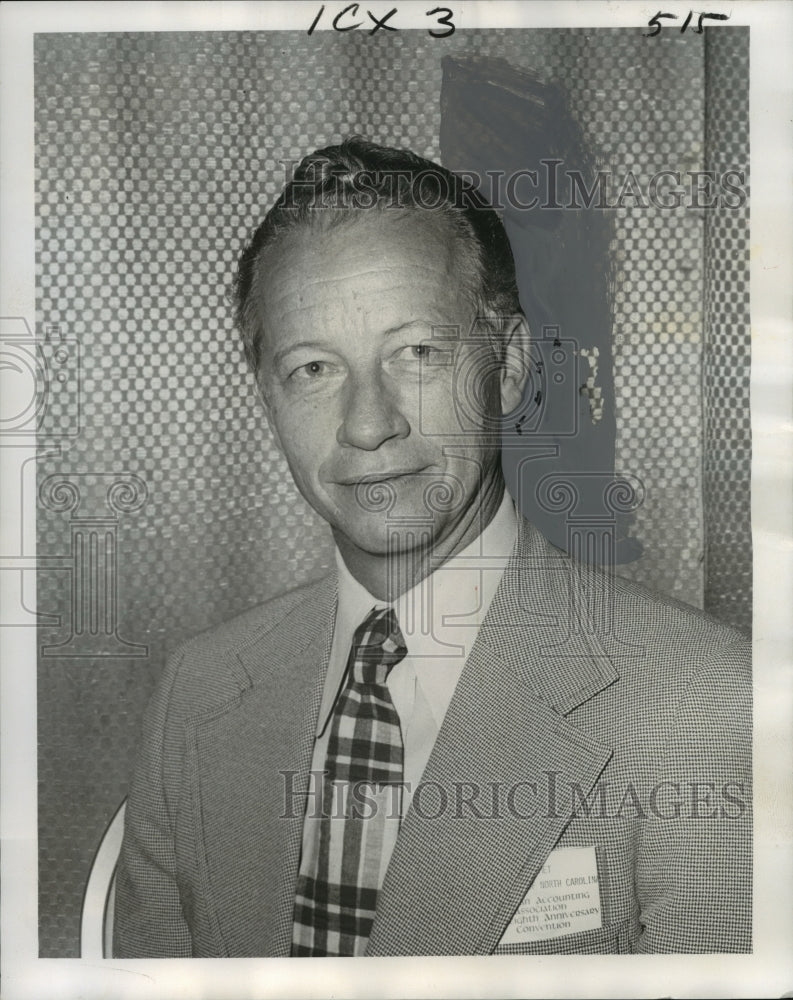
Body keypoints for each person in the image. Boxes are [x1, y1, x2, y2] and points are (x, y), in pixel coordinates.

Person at [113, 137, 751, 957]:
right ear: (267, 396)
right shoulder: (197, 690)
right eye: (312, 368)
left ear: (512, 365)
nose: (368, 423)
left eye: (417, 353)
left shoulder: (704, 703)